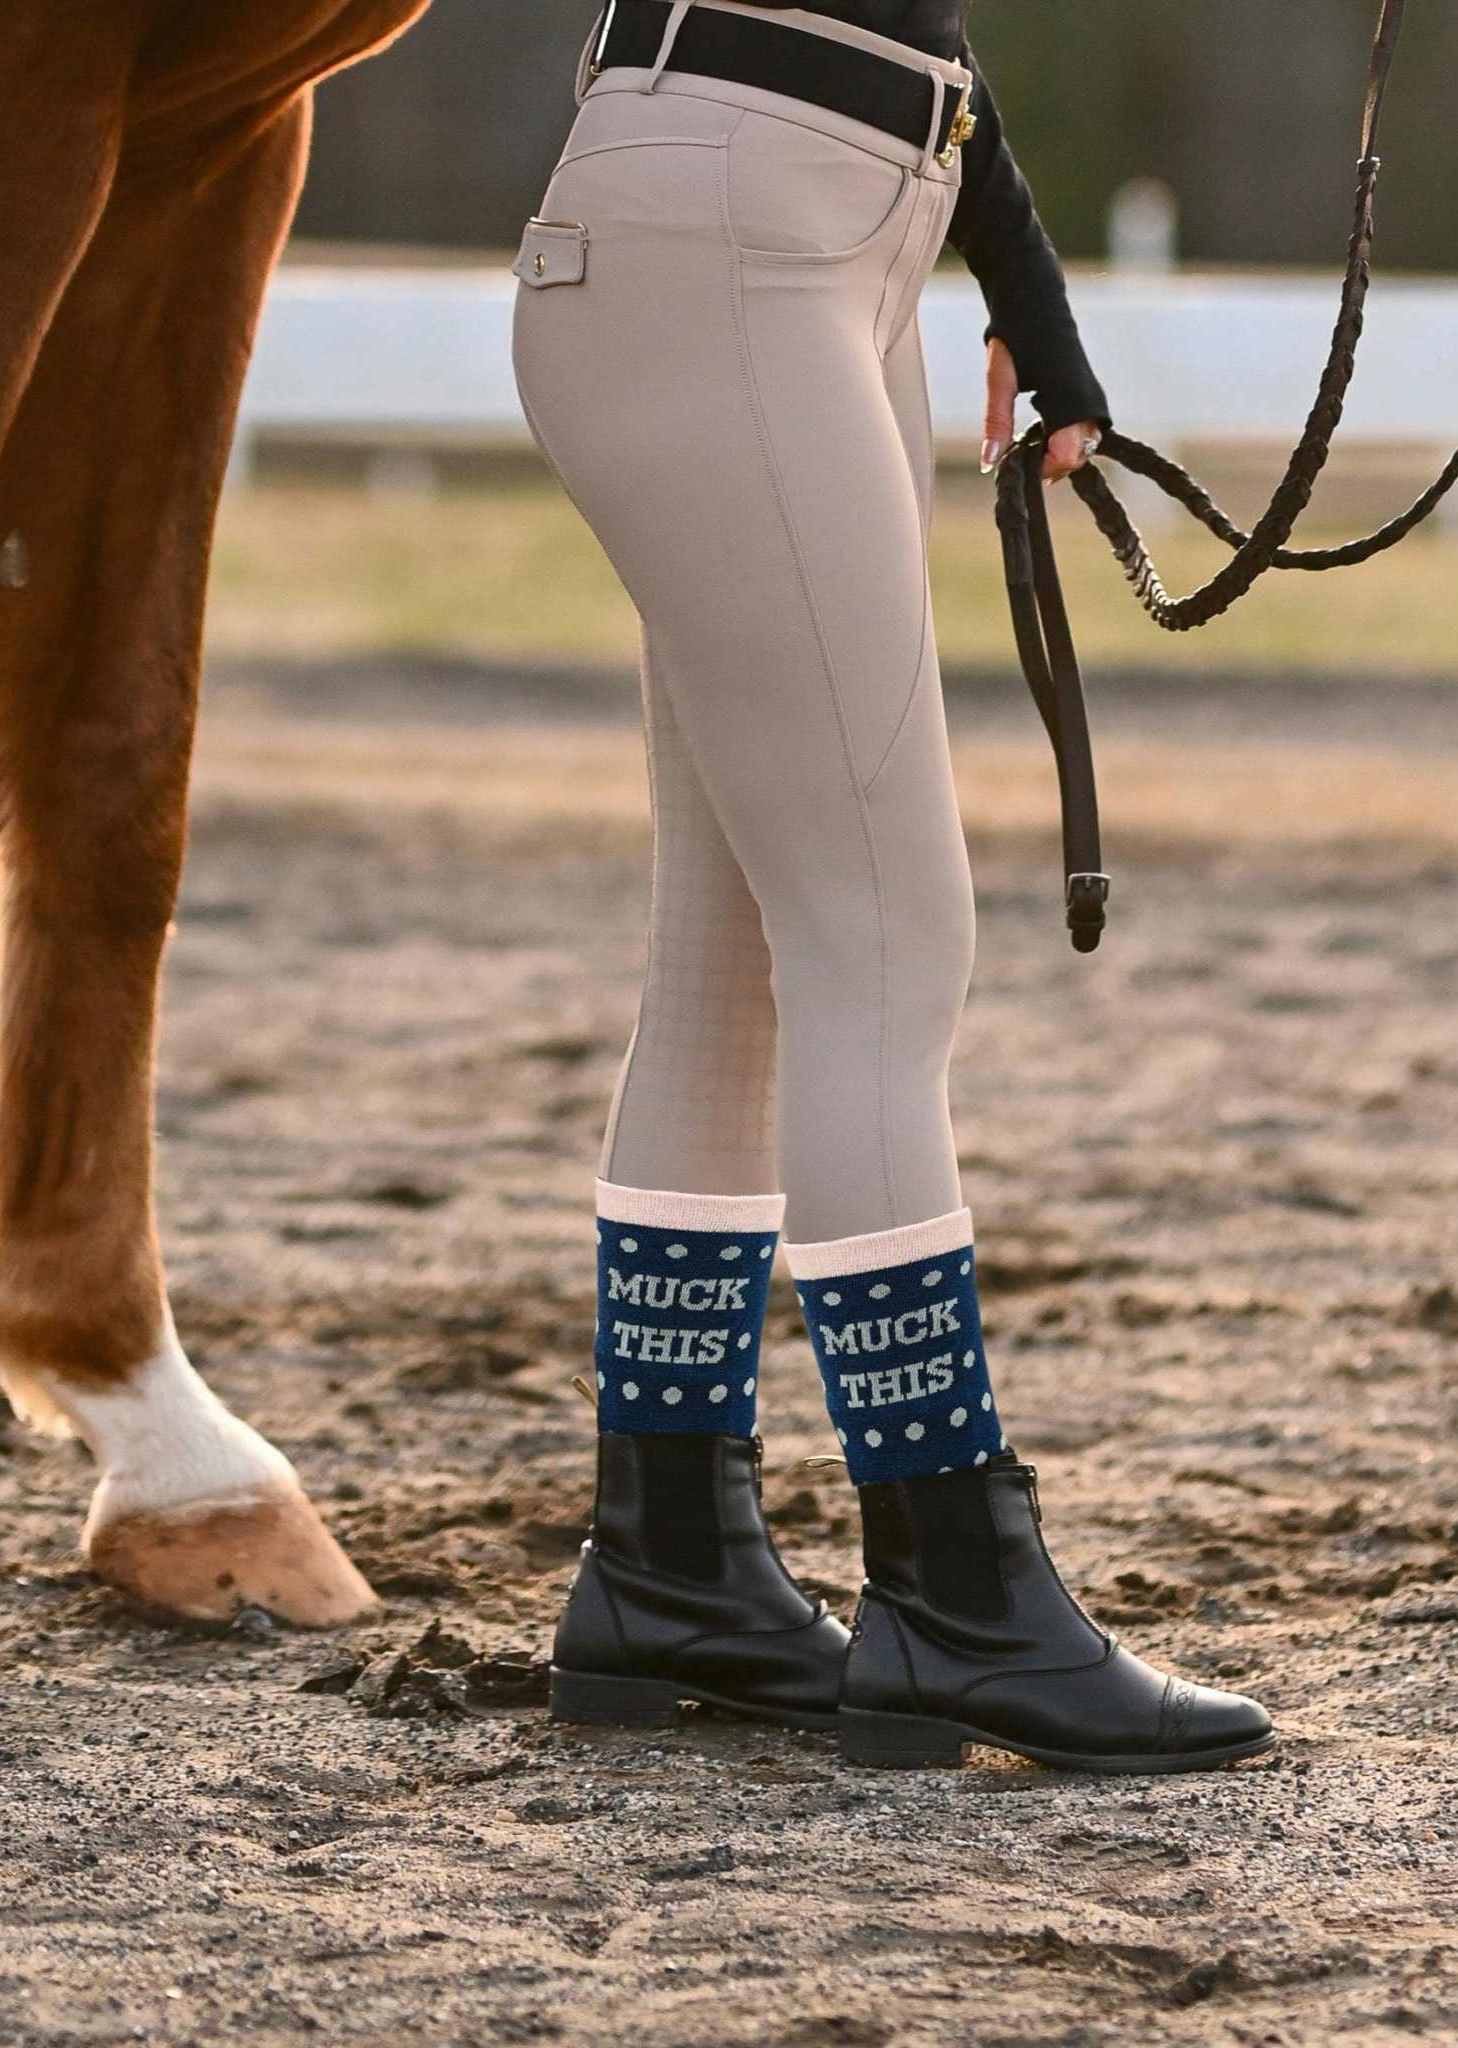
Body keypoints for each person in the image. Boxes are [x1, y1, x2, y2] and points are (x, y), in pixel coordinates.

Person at [513, 0, 1274, 1771]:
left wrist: (1025, 295)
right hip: (742, 220)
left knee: (737, 958)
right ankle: (951, 1586)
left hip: (832, 216)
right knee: (888, 934)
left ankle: (672, 1563)